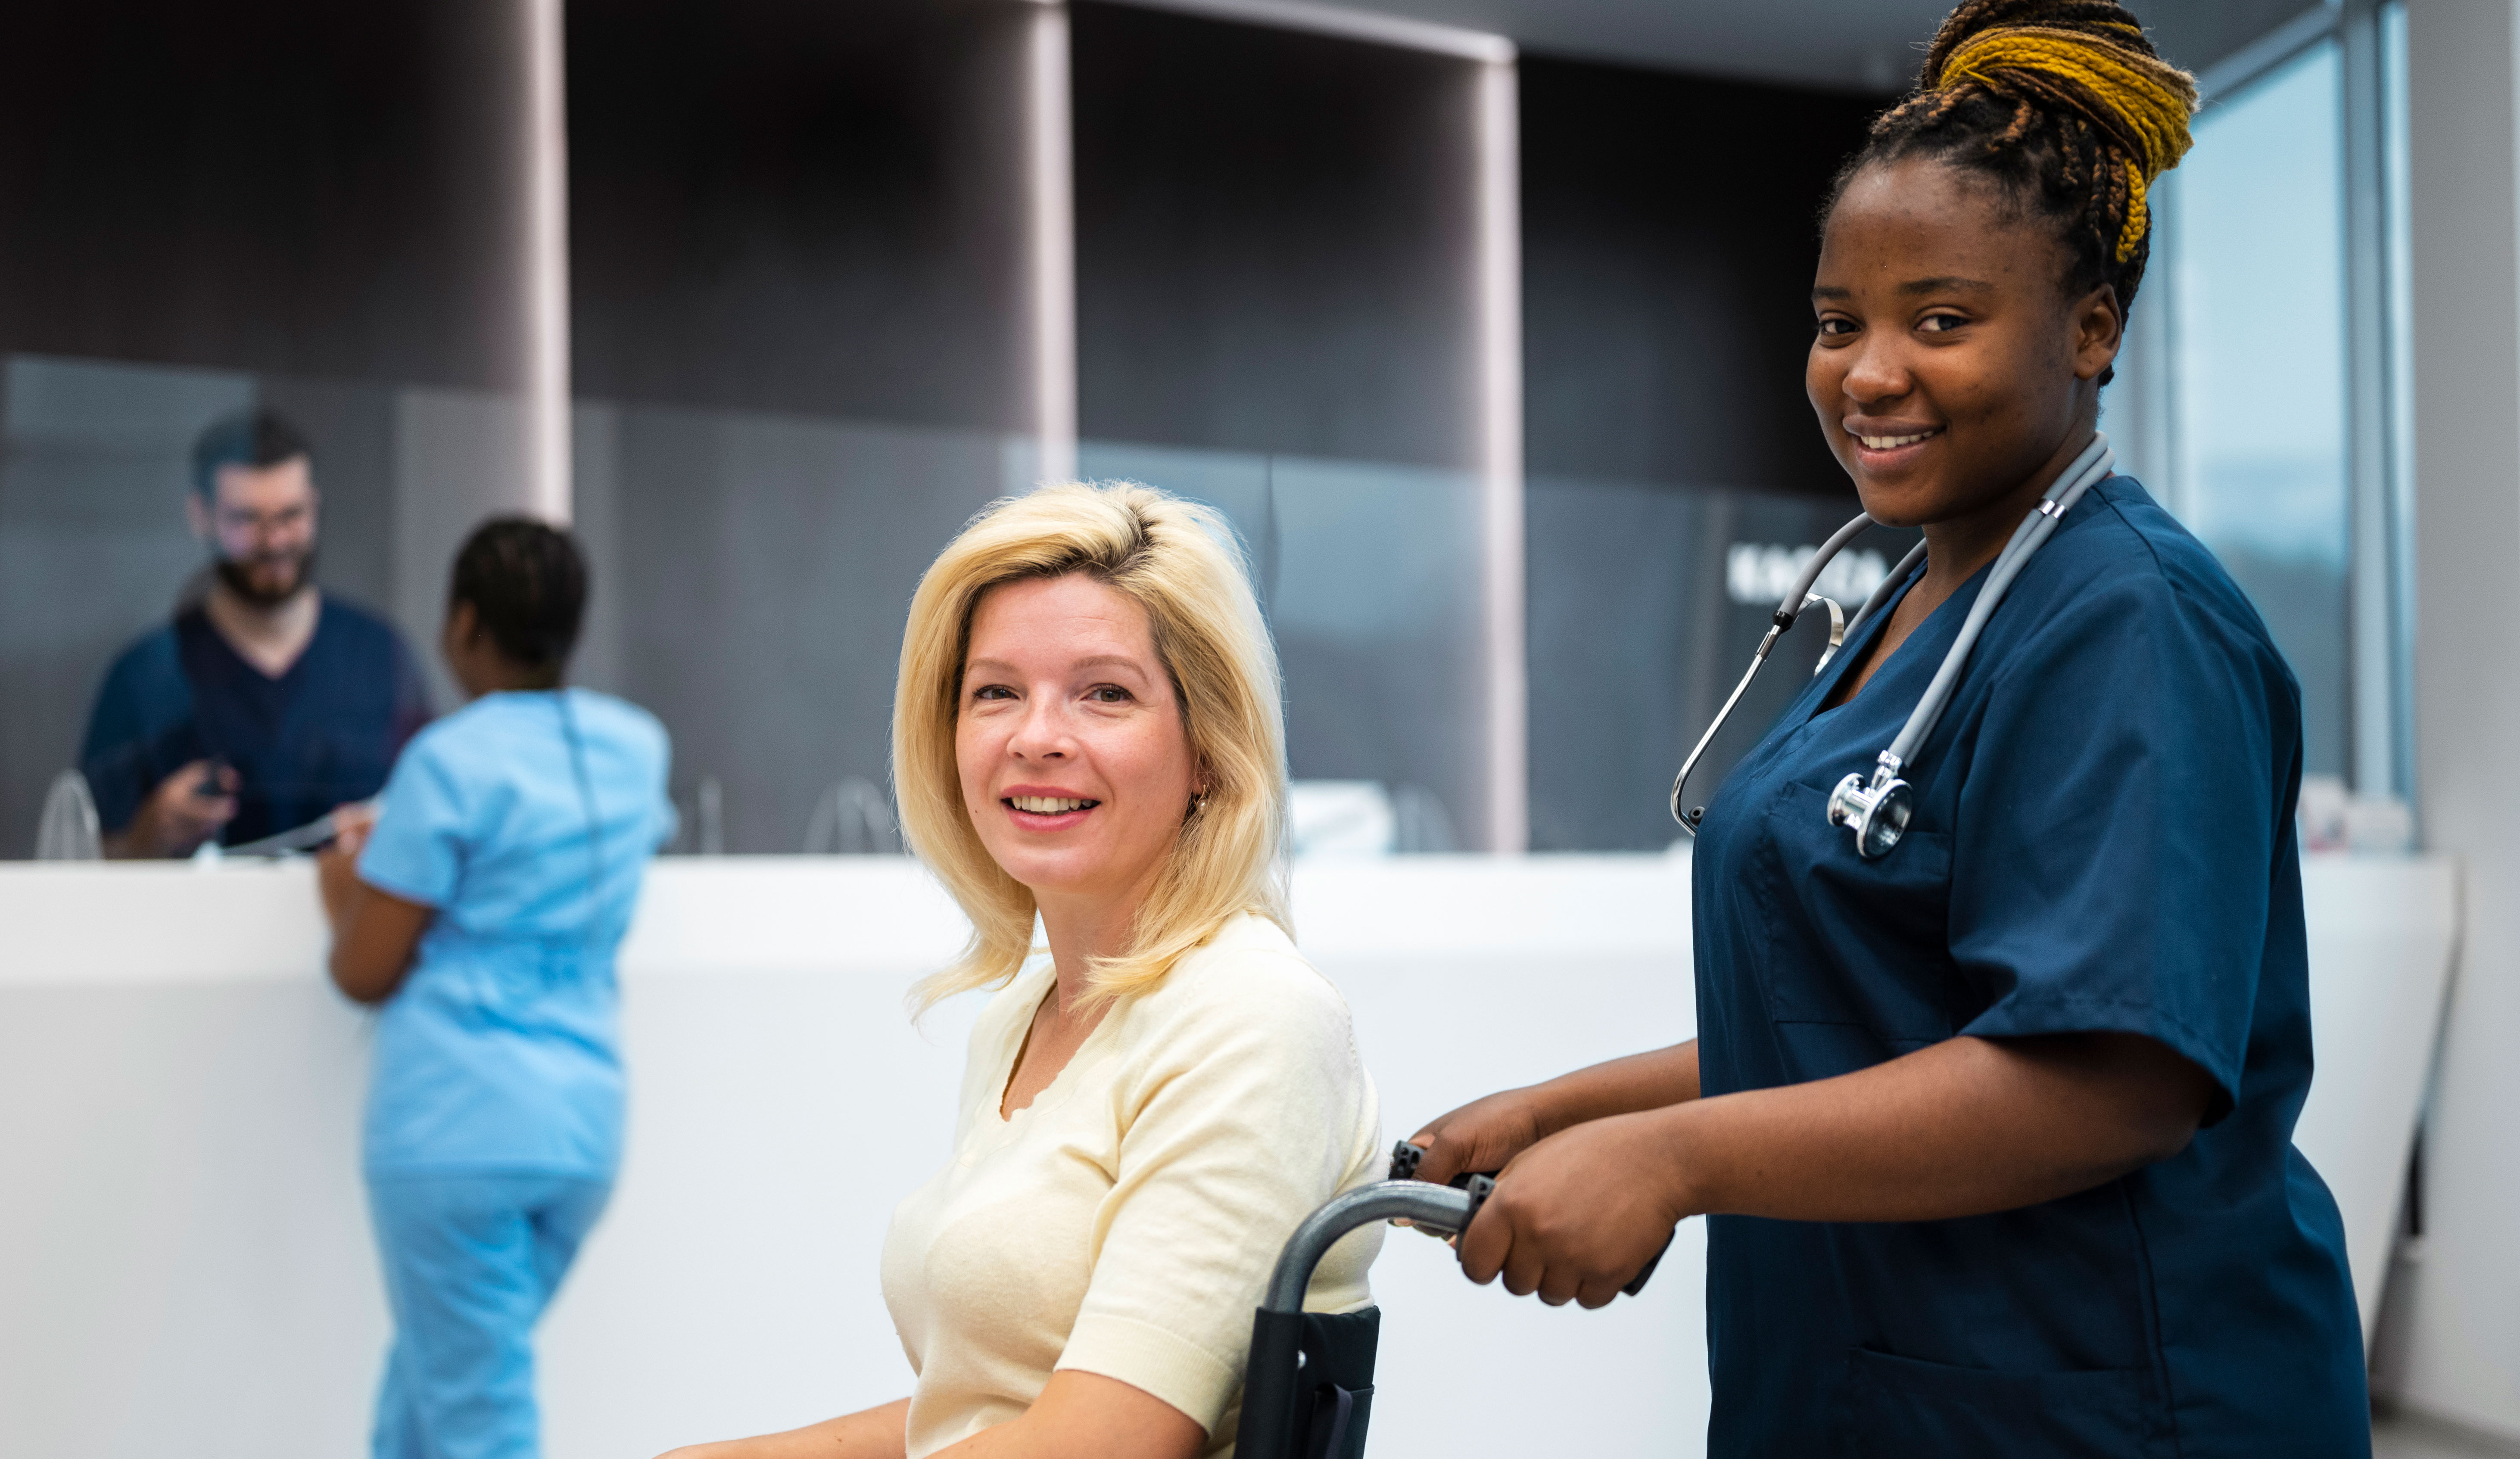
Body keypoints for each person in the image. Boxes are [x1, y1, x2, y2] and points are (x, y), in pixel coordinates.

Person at [1403, 4, 2368, 1455]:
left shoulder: (2129, 618)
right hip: (1881, 1381)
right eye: (1833, 320)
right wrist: (1562, 1106)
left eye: (1938, 319)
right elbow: (1858, 1005)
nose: (1865, 370)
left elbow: (2104, 1073)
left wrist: (1667, 1156)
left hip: (2096, 1397)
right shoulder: (1915, 599)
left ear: (2089, 328)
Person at [663, 483, 1384, 1459]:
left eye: (1104, 692)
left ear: (1209, 748)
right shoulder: (1026, 1014)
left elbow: (1103, 1438)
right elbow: (989, 1410)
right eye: (995, 689)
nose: (1035, 735)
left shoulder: (1250, 1015)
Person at [317, 517, 675, 1459]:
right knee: (427, 1401)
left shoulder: (447, 760)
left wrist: (343, 885)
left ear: (463, 624)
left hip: (453, 1136)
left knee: (476, 1420)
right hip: (581, 1135)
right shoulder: (635, 748)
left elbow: (363, 969)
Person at [80, 409, 431, 856]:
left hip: (353, 925)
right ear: (201, 515)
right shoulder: (146, 676)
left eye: (292, 515)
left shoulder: (380, 657)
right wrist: (146, 837)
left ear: (316, 507)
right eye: (248, 520)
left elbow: (434, 824)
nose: (275, 541)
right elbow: (89, 860)